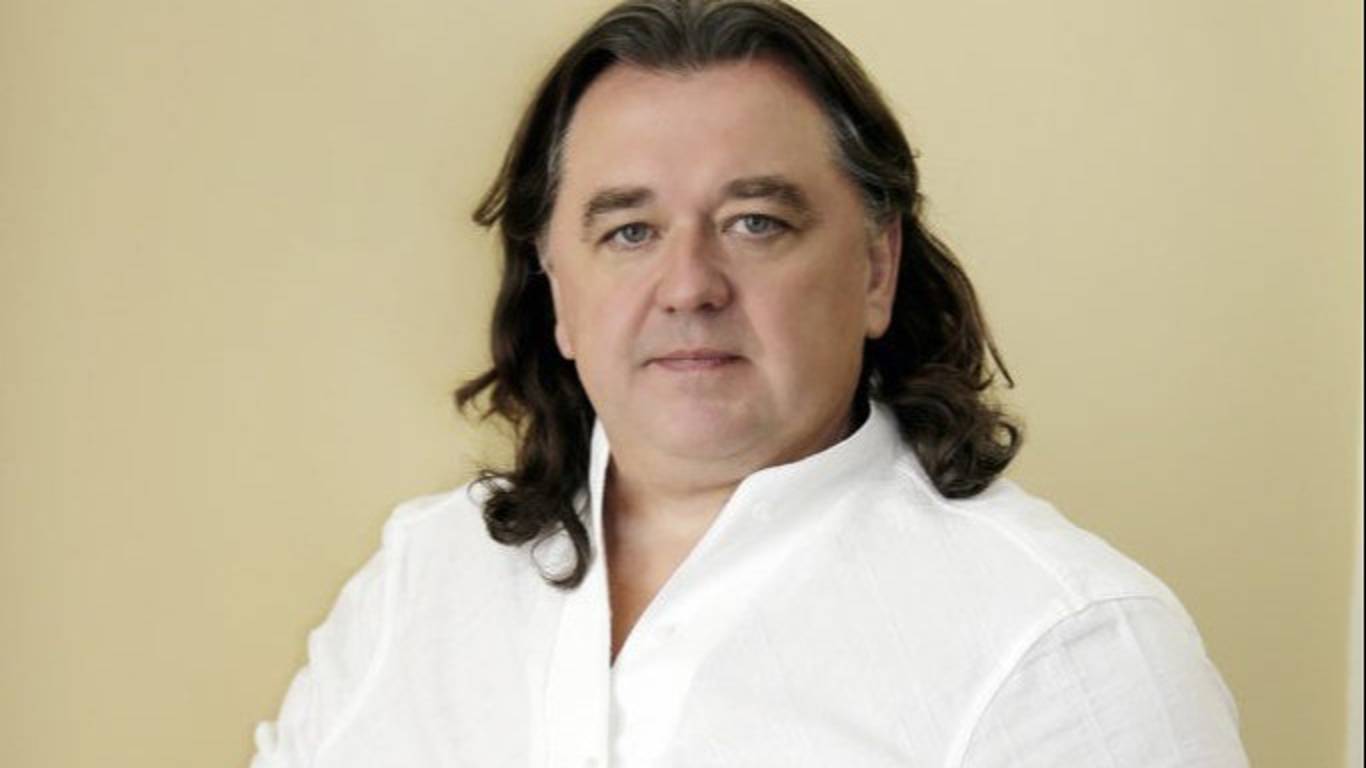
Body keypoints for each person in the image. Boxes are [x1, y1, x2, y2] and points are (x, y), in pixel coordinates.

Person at [250, 1, 1250, 765]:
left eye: (755, 223)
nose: (688, 285)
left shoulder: (1070, 647)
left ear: (875, 268)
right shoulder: (422, 579)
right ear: (555, 288)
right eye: (629, 231)